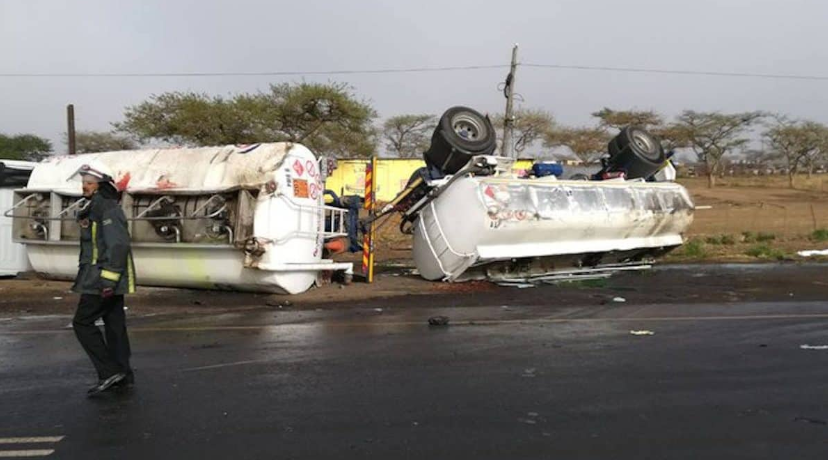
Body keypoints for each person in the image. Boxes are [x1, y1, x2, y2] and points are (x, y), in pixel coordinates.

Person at [69, 163, 137, 397]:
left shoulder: (106, 209)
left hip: (101, 280)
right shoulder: (95, 207)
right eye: (83, 183)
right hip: (102, 278)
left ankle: (109, 372)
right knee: (114, 325)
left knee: (82, 323)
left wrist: (108, 280)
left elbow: (117, 245)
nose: (84, 187)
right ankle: (123, 374)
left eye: (89, 183)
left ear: (100, 186)